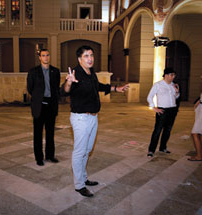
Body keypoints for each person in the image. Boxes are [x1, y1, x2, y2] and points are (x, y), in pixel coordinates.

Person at [61, 45, 129, 197]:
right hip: (80, 118)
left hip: (93, 117)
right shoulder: (76, 73)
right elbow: (64, 91)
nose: (90, 58)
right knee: (79, 152)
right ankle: (79, 185)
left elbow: (97, 86)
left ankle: (84, 178)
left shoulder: (91, 72)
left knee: (87, 149)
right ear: (79, 59)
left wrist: (115, 89)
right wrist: (69, 82)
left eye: (91, 55)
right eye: (86, 56)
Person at [27, 49, 61, 166]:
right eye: (43, 56)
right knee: (38, 133)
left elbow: (56, 88)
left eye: (47, 55)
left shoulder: (55, 71)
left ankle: (50, 156)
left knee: (50, 133)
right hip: (39, 106)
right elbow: (30, 88)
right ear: (39, 58)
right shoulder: (33, 72)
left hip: (51, 105)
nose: (46, 57)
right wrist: (38, 98)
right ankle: (39, 158)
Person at [147, 67, 180, 157]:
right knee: (157, 130)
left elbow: (176, 97)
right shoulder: (158, 84)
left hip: (172, 110)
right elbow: (150, 96)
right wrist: (153, 108)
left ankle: (163, 148)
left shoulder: (173, 85)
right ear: (166, 75)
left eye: (174, 75)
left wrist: (177, 92)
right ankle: (151, 150)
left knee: (168, 130)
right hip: (163, 110)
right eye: (171, 75)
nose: (173, 77)